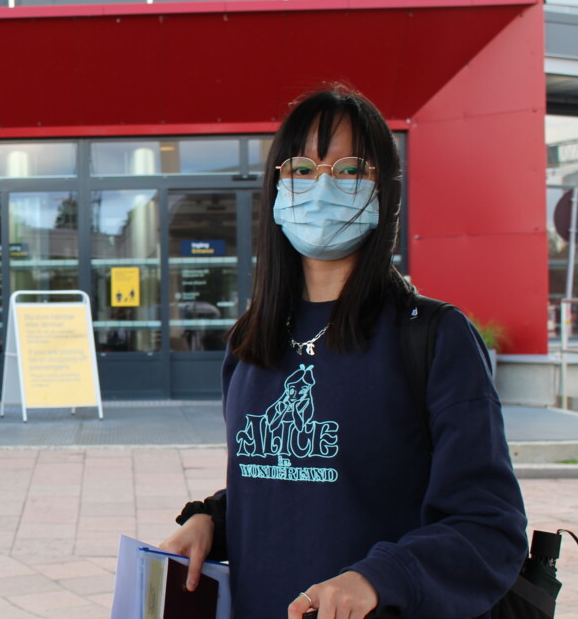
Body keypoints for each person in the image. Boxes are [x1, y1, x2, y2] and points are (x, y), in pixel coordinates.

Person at [159, 86, 527, 619]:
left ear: (384, 192)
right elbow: (288, 483)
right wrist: (212, 521)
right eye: (302, 168)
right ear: (278, 188)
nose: (322, 185)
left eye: (350, 169)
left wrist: (376, 579)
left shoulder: (435, 338)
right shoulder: (250, 342)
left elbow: (488, 526)